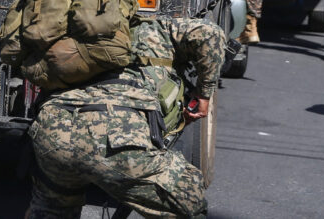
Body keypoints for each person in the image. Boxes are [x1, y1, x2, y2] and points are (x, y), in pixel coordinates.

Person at [26, 13, 224, 218]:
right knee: (190, 201)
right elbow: (211, 33)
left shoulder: (69, 35)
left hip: (53, 127)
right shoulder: (156, 29)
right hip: (116, 133)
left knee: (51, 210)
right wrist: (203, 93)